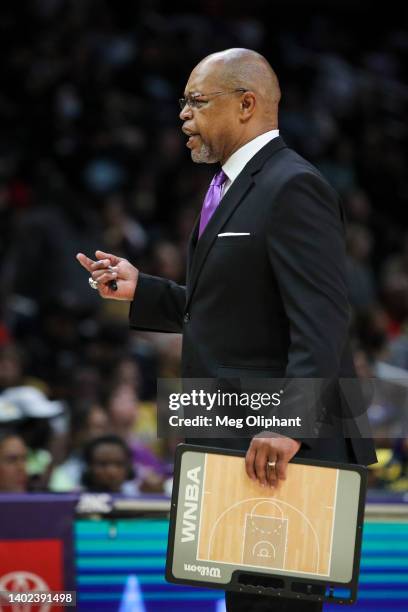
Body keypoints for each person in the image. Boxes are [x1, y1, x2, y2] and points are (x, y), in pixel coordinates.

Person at [77, 48, 377, 612]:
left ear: (247, 104)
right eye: (183, 103)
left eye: (196, 101)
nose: (183, 117)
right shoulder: (232, 186)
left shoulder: (293, 186)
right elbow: (233, 309)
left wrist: (291, 424)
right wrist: (145, 291)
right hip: (242, 436)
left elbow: (323, 318)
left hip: (283, 446)